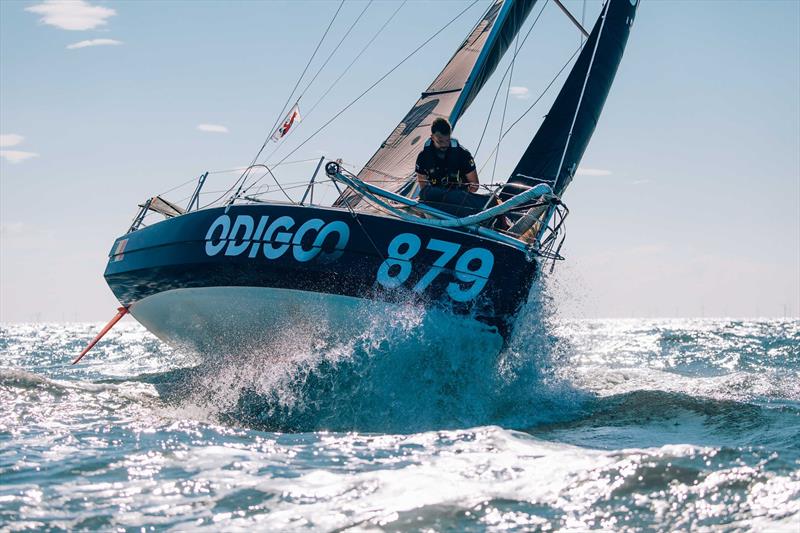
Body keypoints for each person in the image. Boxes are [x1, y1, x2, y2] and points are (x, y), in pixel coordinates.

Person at [415, 117, 504, 223]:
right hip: (435, 199)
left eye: (447, 140)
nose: (444, 144)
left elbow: (474, 185)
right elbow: (423, 186)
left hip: (458, 199)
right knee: (425, 194)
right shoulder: (423, 156)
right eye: (440, 141)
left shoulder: (462, 154)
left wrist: (455, 194)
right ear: (432, 137)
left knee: (478, 200)